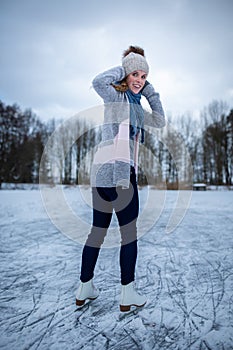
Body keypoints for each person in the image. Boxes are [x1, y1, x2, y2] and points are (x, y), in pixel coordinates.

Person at [75, 45, 165, 312]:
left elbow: (159, 120)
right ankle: (127, 294)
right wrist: (124, 70)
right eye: (134, 74)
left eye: (143, 76)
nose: (139, 80)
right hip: (119, 175)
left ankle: (84, 288)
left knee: (97, 233)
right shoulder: (116, 97)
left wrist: (148, 90)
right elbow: (97, 81)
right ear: (125, 74)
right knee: (129, 235)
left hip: (101, 177)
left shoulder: (137, 109)